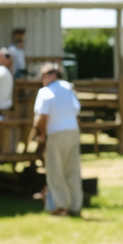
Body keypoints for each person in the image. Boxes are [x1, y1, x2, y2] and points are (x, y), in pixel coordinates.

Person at [32, 62, 82, 217]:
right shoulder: (69, 88)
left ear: (54, 75)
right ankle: (75, 205)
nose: (43, 78)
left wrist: (41, 134)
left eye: (45, 74)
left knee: (56, 171)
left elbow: (42, 117)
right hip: (73, 131)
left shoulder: (45, 92)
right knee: (72, 170)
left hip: (56, 133)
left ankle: (61, 206)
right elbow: (76, 109)